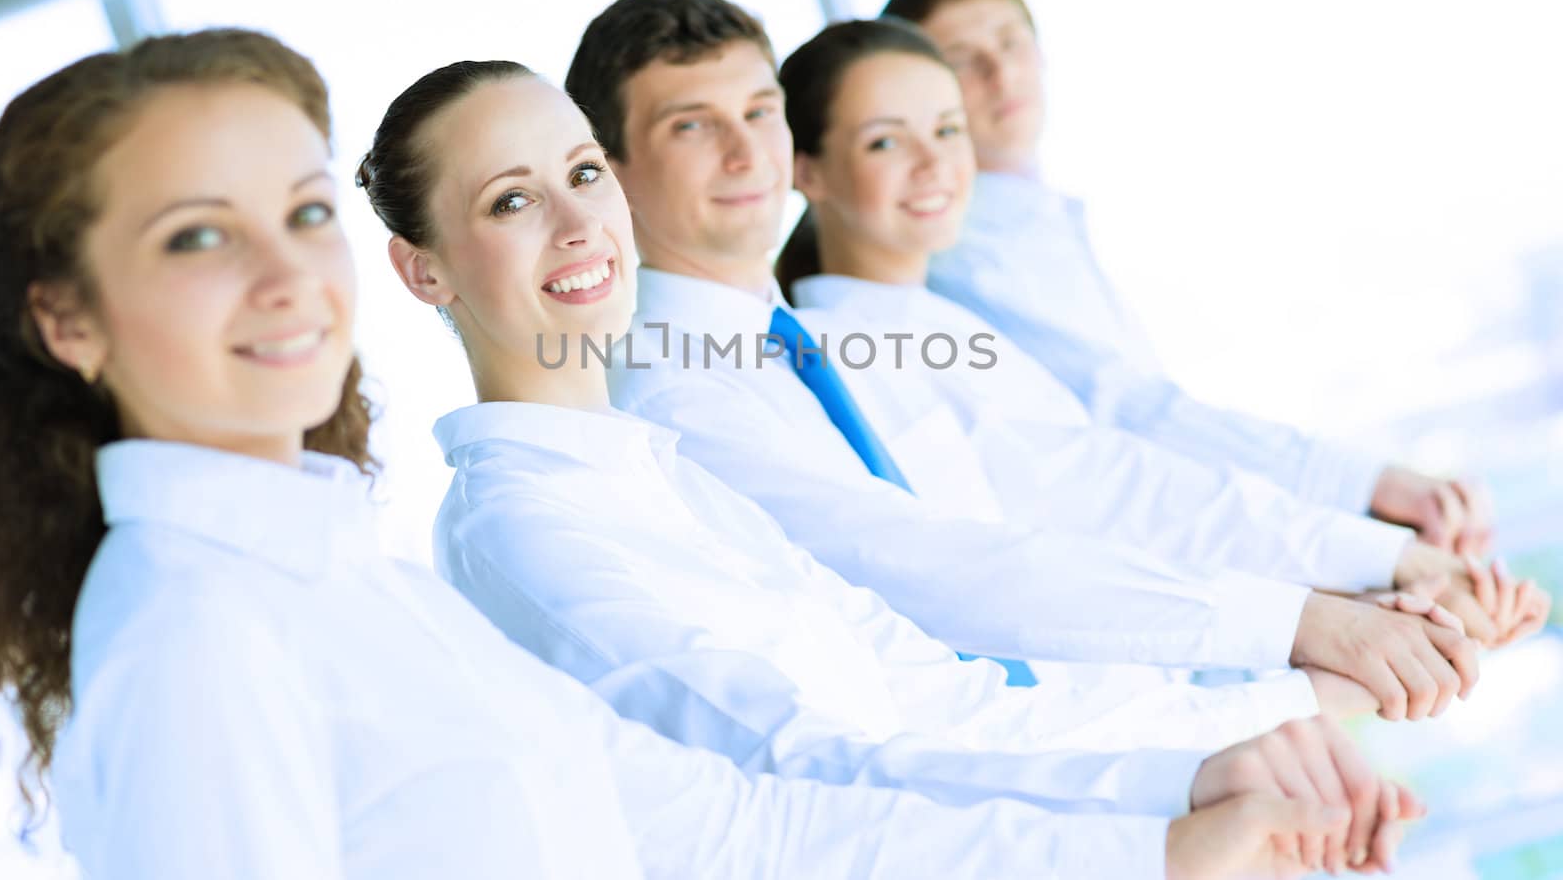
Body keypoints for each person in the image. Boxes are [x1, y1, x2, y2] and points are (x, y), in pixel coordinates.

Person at [0, 28, 1313, 880]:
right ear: (66, 317)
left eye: (303, 212)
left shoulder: (353, 584)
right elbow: (796, 760)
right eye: (198, 237)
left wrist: (1162, 825)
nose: (282, 277)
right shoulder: (198, 632)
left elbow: (740, 825)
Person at [361, 56, 1419, 876]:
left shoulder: (661, 477)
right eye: (511, 200)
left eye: (582, 173)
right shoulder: (522, 528)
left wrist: (1257, 721)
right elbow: (796, 765)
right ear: (422, 269)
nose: (579, 220)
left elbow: (940, 698)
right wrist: (1160, 822)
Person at [571, 0, 1489, 720]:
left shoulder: (802, 348)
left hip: (1117, 746)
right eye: (690, 125)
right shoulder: (678, 389)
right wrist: (1298, 639)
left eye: (758, 110)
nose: (745, 154)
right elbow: (934, 572)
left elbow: (1077, 480)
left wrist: (1339, 601)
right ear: (610, 171)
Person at [773, 17, 1550, 661]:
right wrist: (1364, 574)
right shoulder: (860, 352)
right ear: (804, 168)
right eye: (884, 142)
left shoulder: (934, 325)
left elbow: (1126, 494)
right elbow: (1112, 497)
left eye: (946, 129)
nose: (934, 163)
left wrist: (1368, 585)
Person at [884, 0, 1495, 557]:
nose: (1001, 73)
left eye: (1011, 41)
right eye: (962, 59)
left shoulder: (1037, 221)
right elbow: (1131, 413)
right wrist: (1363, 488)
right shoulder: (967, 259)